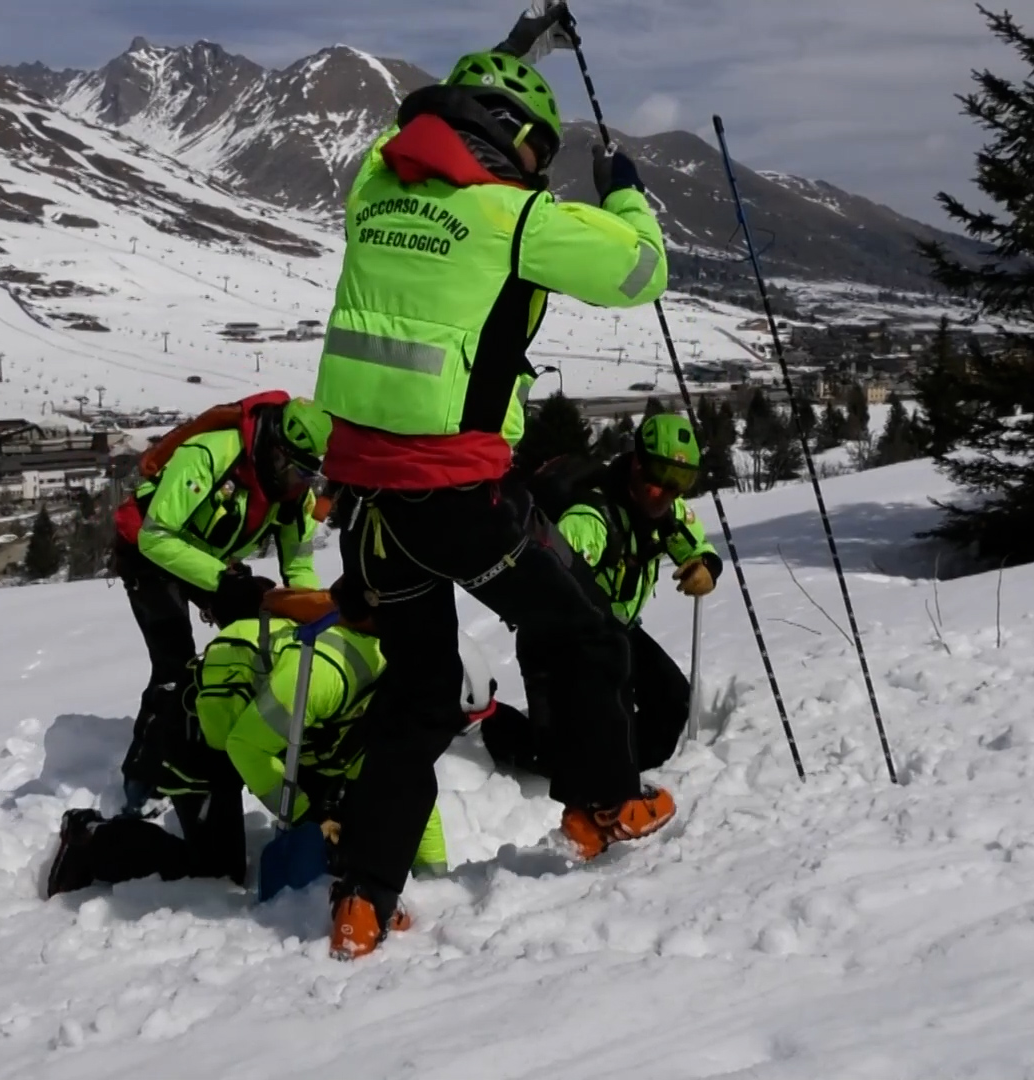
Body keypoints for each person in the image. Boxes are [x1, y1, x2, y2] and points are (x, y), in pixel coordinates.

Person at [312, 2, 676, 960]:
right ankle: (606, 806)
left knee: (419, 695)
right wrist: (625, 189)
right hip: (462, 498)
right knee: (584, 631)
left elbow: (412, 123)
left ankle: (363, 898)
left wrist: (513, 48)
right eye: (539, 150)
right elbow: (641, 271)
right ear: (518, 143)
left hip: (373, 505)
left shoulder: (375, 191)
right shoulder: (513, 217)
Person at [47, 591, 496, 897]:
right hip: (206, 730)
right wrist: (305, 815)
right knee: (216, 871)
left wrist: (434, 879)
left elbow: (408, 784)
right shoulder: (329, 676)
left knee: (352, 816)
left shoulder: (391, 698)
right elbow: (245, 744)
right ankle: (92, 839)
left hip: (282, 736)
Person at [112, 393, 331, 882]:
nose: (298, 483)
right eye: (293, 470)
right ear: (275, 449)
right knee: (174, 663)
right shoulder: (211, 455)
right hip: (150, 552)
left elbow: (297, 563)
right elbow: (157, 535)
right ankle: (143, 781)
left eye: (307, 475)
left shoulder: (295, 494)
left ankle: (223, 743)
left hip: (209, 557)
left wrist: (307, 612)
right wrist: (224, 581)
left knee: (241, 653)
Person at [485, 414, 721, 777]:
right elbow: (546, 586)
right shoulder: (590, 520)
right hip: (557, 641)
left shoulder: (666, 510)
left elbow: (694, 544)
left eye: (682, 481)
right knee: (557, 758)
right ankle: (490, 722)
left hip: (615, 630)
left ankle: (622, 774)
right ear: (639, 465)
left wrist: (705, 565)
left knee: (671, 703)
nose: (671, 491)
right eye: (664, 478)